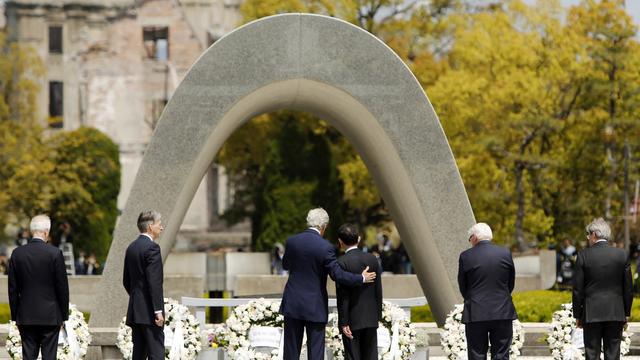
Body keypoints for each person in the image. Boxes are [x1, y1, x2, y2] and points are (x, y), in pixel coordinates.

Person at [279, 208, 377, 360]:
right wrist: (361, 278)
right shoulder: (326, 247)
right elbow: (337, 275)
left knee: (290, 352)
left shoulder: (292, 241)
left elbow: (285, 265)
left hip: (293, 303)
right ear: (323, 227)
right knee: (316, 352)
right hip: (315, 305)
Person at [8, 214, 69, 360]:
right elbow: (62, 288)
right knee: (49, 356)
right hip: (50, 316)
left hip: (26, 316)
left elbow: (13, 289)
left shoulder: (17, 254)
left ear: (30, 232)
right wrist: (63, 316)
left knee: (28, 356)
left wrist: (15, 316)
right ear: (46, 232)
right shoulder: (55, 253)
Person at [572, 218, 633, 360]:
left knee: (592, 353)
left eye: (588, 235)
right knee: (613, 353)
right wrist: (626, 313)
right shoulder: (622, 255)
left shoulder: (583, 255)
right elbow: (628, 288)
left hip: (591, 312)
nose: (588, 238)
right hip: (615, 312)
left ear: (594, 234)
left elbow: (577, 289)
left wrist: (578, 315)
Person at [458, 223, 517, 360]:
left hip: (476, 312)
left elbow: (463, 285)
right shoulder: (505, 253)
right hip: (502, 311)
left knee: (477, 354)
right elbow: (510, 283)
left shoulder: (466, 256)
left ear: (474, 237)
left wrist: (472, 298)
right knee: (501, 354)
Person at [336, 224, 382, 360]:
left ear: (340, 241)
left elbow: (343, 295)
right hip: (371, 317)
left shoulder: (341, 262)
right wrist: (377, 315)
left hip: (352, 319)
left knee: (353, 356)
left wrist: (344, 322)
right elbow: (378, 290)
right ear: (359, 238)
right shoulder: (372, 259)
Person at [123, 210, 165, 360]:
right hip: (150, 313)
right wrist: (158, 311)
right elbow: (154, 282)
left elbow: (126, 281)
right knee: (156, 353)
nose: (162, 227)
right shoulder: (153, 248)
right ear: (150, 227)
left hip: (136, 311)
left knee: (139, 354)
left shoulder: (131, 247)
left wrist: (138, 298)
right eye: (159, 224)